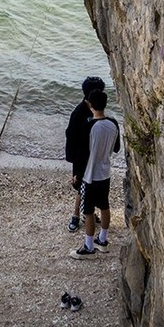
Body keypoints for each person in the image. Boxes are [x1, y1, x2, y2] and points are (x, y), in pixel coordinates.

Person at [75, 86, 121, 256]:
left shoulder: (88, 126)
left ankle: (88, 246)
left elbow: (83, 155)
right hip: (105, 173)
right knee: (104, 205)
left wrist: (77, 176)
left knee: (87, 211)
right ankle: (102, 239)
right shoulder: (114, 124)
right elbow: (116, 148)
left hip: (90, 176)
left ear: (90, 105)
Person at [65, 75, 106, 232]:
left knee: (92, 186)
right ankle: (76, 215)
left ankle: (88, 212)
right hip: (81, 158)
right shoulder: (79, 113)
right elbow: (70, 136)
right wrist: (74, 162)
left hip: (94, 156)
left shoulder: (96, 109)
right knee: (81, 187)